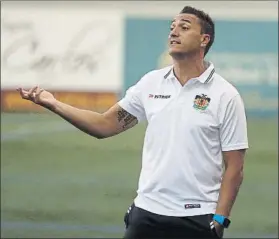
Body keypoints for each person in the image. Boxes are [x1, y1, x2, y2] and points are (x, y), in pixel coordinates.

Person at [17, 6, 248, 239]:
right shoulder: (151, 83)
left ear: (204, 39)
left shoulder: (225, 95)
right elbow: (104, 125)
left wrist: (219, 220)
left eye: (184, 27)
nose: (174, 32)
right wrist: (54, 103)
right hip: (146, 214)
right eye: (172, 27)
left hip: (198, 218)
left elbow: (235, 167)